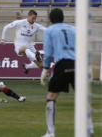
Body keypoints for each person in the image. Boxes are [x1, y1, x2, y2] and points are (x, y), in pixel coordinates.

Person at [40, 8, 94, 137]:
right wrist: (88, 66)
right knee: (82, 98)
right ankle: (89, 128)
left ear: (50, 19)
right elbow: (85, 48)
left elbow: (48, 53)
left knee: (51, 96)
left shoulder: (49, 31)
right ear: (63, 18)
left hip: (62, 64)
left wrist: (45, 69)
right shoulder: (74, 29)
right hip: (78, 64)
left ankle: (50, 132)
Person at [1, 10, 46, 74]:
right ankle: (35, 57)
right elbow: (6, 27)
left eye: (35, 18)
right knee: (24, 48)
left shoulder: (36, 26)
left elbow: (46, 30)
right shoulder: (20, 22)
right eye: (33, 18)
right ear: (28, 16)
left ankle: (27, 66)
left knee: (41, 65)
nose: (34, 20)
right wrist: (3, 39)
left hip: (30, 46)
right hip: (19, 46)